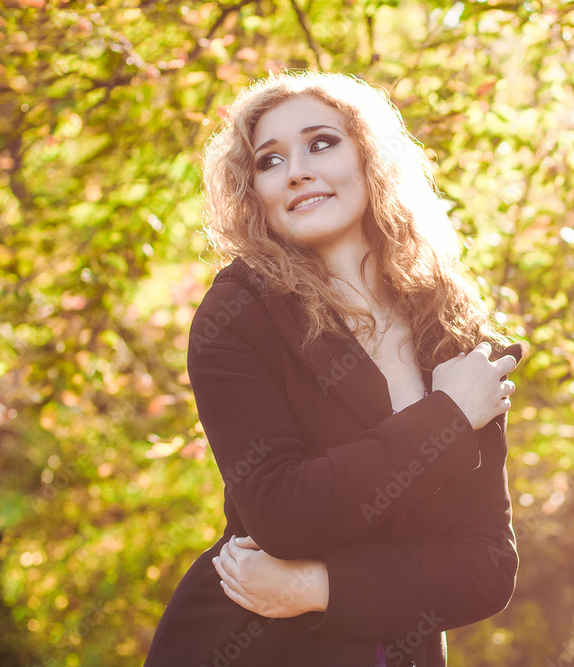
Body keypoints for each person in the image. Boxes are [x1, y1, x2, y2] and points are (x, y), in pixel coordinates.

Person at [144, 71, 521, 667]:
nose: (296, 169)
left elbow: (486, 569)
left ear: (371, 160)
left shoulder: (454, 335)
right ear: (255, 193)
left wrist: (316, 588)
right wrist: (447, 418)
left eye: (322, 143)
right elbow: (282, 513)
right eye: (270, 160)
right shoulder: (240, 312)